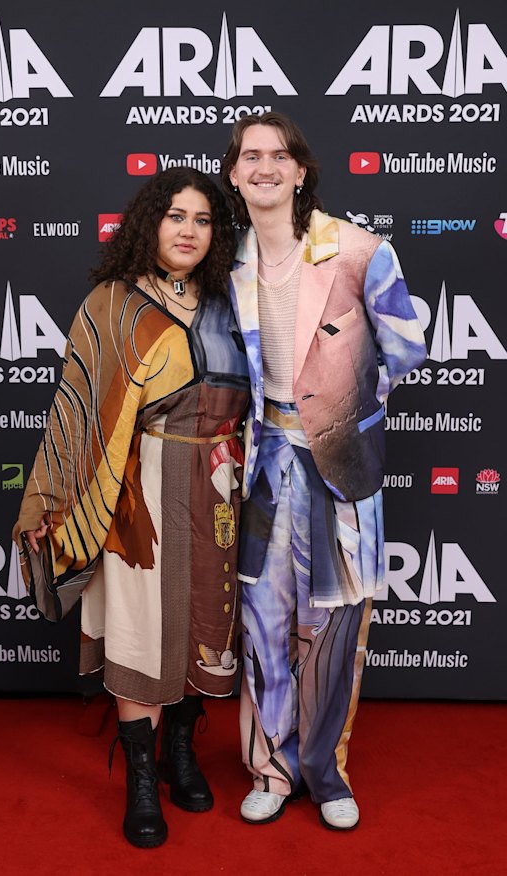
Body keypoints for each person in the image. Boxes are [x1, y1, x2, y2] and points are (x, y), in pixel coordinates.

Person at [13, 167, 250, 848]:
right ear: (151, 223)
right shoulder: (111, 305)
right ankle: (142, 777)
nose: (189, 231)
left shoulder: (231, 305)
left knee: (205, 621)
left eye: (203, 220)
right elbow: (76, 414)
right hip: (135, 502)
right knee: (143, 630)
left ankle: (181, 752)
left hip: (216, 491)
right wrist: (52, 504)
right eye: (176, 216)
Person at [220, 112, 427, 830]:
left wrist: (341, 410)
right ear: (234, 174)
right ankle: (270, 769)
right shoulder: (227, 261)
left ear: (301, 171)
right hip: (260, 468)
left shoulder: (358, 250)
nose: (265, 167)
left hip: (337, 471)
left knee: (335, 630)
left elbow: (405, 347)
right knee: (263, 625)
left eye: (280, 155)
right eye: (251, 156)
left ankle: (326, 772)